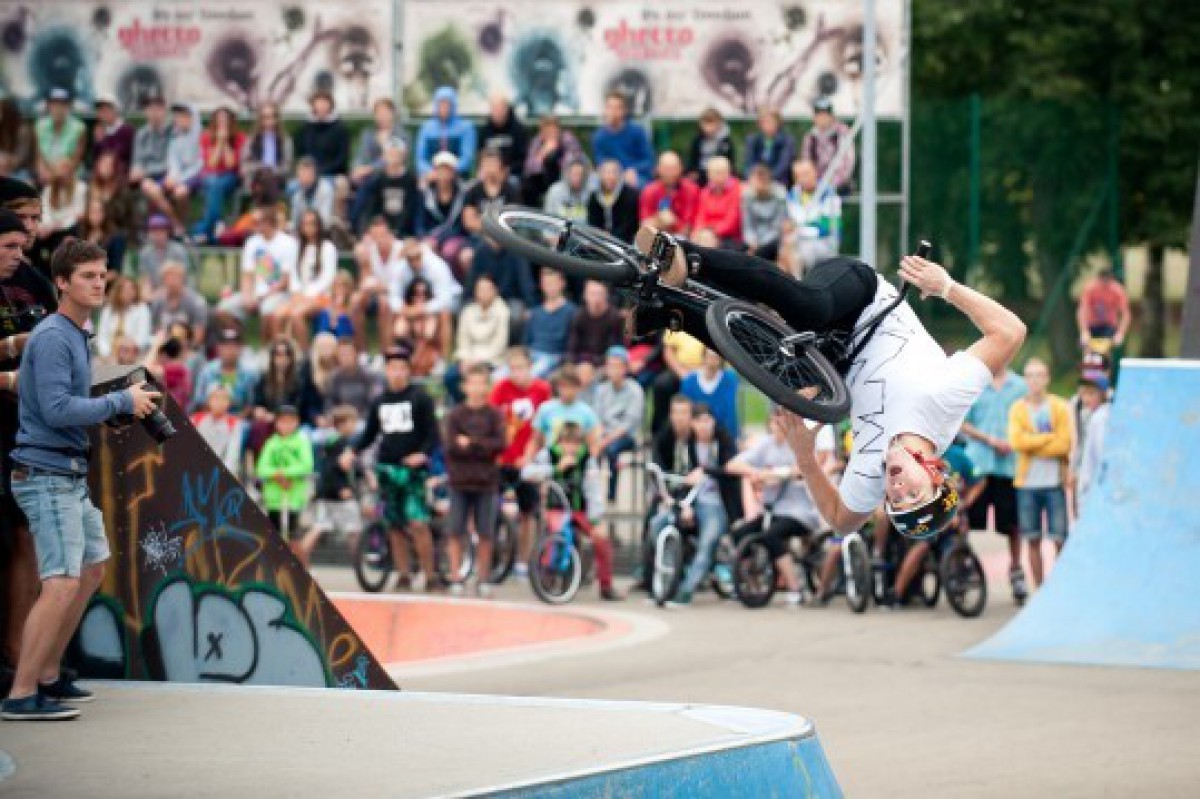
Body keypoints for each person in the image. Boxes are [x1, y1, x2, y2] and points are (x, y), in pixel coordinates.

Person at [639, 228, 1024, 545]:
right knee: (812, 308)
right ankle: (688, 257)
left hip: (832, 363)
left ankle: (673, 312)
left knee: (776, 378)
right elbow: (1010, 333)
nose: (897, 491)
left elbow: (841, 521)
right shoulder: (943, 403)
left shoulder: (873, 475)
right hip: (862, 301)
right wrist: (946, 286)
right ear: (935, 472)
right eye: (914, 493)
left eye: (897, 503)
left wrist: (805, 458)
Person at [4, 238, 160, 720]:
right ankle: (21, 694)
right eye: (88, 276)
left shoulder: (74, 333)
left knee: (91, 569)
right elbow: (56, 409)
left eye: (102, 275)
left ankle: (48, 674)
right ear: (61, 282)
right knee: (60, 583)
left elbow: (62, 403)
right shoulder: (55, 336)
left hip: (65, 473)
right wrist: (120, 402)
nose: (98, 283)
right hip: (47, 474)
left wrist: (114, 408)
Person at [0, 207, 54, 701]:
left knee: (25, 538)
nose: (20, 255)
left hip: (20, 431)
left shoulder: (29, 284)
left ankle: (21, 658)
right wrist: (14, 353)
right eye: (9, 246)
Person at [351, 344, 440, 591]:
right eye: (393, 368)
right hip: (387, 468)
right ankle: (403, 573)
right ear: (386, 371)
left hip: (412, 470)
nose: (397, 373)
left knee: (418, 522)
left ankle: (430, 575)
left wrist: (422, 454)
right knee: (394, 524)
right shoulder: (379, 401)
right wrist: (352, 451)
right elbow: (370, 434)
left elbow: (433, 433)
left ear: (408, 370)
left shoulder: (421, 398)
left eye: (402, 368)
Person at [727, 407, 835, 606]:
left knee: (771, 535)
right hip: (773, 511)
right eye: (775, 421)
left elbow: (802, 470)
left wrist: (774, 475)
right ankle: (749, 581)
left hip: (799, 511)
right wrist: (755, 473)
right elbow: (732, 465)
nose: (778, 425)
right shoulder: (766, 445)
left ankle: (795, 588)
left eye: (782, 421)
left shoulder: (797, 445)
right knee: (740, 532)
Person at [654, 404, 741, 608]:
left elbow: (731, 470)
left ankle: (686, 591)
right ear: (692, 424)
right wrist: (682, 504)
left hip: (717, 505)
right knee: (658, 523)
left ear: (713, 422)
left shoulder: (723, 442)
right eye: (699, 421)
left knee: (707, 542)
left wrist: (706, 471)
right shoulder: (687, 446)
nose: (703, 426)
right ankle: (662, 584)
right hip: (692, 502)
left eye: (707, 421)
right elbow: (684, 479)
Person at [522, 421, 620, 600]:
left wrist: (595, 518)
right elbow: (527, 473)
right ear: (559, 442)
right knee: (557, 533)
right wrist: (554, 469)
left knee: (601, 539)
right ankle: (549, 574)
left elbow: (593, 490)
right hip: (556, 508)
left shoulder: (586, 460)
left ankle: (606, 585)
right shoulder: (548, 455)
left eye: (575, 443)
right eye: (566, 442)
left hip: (579, 510)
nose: (571, 448)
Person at [961, 365, 1028, 603]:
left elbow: (1028, 420)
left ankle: (1016, 570)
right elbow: (962, 423)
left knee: (1013, 523)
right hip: (979, 463)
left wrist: (1015, 441)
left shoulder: (1021, 386)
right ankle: (964, 565)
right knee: (965, 517)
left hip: (1009, 465)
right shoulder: (975, 385)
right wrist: (988, 440)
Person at [1009, 358, 1072, 588]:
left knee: (1060, 538)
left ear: (1047, 378)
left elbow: (1064, 444)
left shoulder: (1059, 407)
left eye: (1039, 375)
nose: (1034, 380)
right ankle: (1039, 588)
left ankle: (1062, 588)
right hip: (1027, 485)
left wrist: (1033, 443)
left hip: (1054, 483)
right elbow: (1017, 442)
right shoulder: (1018, 408)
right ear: (1025, 380)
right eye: (1030, 375)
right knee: (1032, 538)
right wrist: (1047, 438)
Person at [443, 364, 506, 595]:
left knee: (486, 532)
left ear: (488, 387)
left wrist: (472, 443)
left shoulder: (495, 415)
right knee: (455, 530)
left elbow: (499, 445)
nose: (477, 388)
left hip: (486, 481)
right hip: (459, 481)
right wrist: (479, 446)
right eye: (473, 383)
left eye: (482, 383)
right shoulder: (455, 415)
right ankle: (456, 576)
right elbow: (451, 446)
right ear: (464, 386)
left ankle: (483, 578)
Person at [491, 347, 552, 573]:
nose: (517, 373)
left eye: (521, 367)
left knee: (529, 512)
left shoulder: (542, 390)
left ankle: (524, 561)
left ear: (530, 367)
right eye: (513, 368)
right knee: (492, 510)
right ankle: (495, 559)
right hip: (503, 459)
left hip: (527, 460)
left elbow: (545, 427)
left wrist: (531, 456)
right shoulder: (501, 388)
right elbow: (493, 421)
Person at [298, 405, 365, 565]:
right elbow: (331, 468)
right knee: (354, 529)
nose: (354, 426)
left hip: (325, 492)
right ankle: (360, 564)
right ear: (342, 423)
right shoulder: (340, 442)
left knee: (320, 526)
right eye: (352, 422)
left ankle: (299, 559)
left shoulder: (331, 440)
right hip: (337, 493)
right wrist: (340, 488)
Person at [222, 204, 299, 338]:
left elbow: (284, 281)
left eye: (257, 222)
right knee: (223, 309)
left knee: (267, 310)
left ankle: (267, 347)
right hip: (254, 293)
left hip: (279, 293)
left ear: (269, 223)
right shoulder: (251, 242)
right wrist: (247, 296)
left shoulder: (288, 243)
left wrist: (261, 297)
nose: (254, 225)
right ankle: (237, 340)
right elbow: (247, 274)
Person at [256, 405, 314, 563]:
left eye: (290, 421)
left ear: (297, 422)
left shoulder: (301, 442)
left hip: (294, 496)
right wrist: (277, 475)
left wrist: (284, 473)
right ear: (276, 423)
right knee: (273, 535)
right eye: (283, 421)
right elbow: (261, 467)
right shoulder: (271, 443)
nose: (286, 425)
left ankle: (302, 568)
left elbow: (306, 465)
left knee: (294, 536)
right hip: (274, 497)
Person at [445, 273, 509, 403]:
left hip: (491, 360)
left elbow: (499, 344)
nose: (483, 293)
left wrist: (477, 361)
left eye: (487, 289)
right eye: (480, 289)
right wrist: (466, 359)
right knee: (450, 376)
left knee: (483, 380)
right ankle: (462, 405)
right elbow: (463, 340)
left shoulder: (503, 311)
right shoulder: (468, 311)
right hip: (468, 359)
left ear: (494, 291)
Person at [591, 346, 644, 501]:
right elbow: (597, 417)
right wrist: (599, 438)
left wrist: (605, 440)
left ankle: (611, 494)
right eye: (610, 366)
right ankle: (592, 491)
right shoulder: (601, 389)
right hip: (604, 433)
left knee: (611, 450)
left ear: (625, 368)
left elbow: (629, 423)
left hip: (626, 436)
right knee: (590, 449)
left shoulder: (635, 390)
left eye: (617, 366)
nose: (613, 370)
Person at [278, 209, 338, 346]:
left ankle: (305, 352)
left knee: (296, 314)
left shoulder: (328, 247)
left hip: (321, 296)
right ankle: (281, 350)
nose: (309, 227)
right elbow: (293, 274)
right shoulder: (296, 247)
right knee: (278, 315)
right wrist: (296, 293)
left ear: (318, 226)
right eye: (305, 224)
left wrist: (307, 295)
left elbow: (328, 277)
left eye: (312, 223)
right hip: (299, 296)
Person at [143, 102, 202, 237]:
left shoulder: (201, 136)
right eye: (178, 115)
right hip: (177, 178)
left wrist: (178, 180)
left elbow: (198, 166)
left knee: (180, 192)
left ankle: (182, 226)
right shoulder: (175, 139)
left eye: (184, 115)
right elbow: (173, 163)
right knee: (148, 186)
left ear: (193, 117)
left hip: (194, 178)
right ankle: (175, 223)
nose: (180, 118)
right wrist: (172, 178)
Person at [349, 98, 407, 231]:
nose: (382, 116)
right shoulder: (368, 134)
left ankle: (354, 226)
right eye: (379, 112)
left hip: (389, 175)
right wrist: (356, 169)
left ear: (392, 113)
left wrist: (369, 168)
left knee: (367, 188)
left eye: (385, 112)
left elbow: (393, 159)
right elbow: (360, 155)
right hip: (366, 176)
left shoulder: (401, 135)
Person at [460, 147, 522, 272]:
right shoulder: (473, 191)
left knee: (514, 254)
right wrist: (491, 230)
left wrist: (495, 233)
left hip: (505, 237)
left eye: (493, 163)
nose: (489, 167)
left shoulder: (510, 190)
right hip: (477, 237)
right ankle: (474, 284)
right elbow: (469, 222)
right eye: (486, 163)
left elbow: (513, 219)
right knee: (466, 256)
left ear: (500, 166)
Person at [193, 107, 245, 241]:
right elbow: (212, 164)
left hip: (230, 176)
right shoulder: (206, 137)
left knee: (215, 185)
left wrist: (225, 142)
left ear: (231, 121)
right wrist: (219, 143)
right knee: (213, 182)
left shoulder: (239, 137)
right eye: (219, 119)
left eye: (225, 119)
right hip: (210, 176)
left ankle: (203, 230)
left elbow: (231, 164)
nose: (222, 122)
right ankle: (215, 228)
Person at [786, 159, 841, 273]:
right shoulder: (792, 195)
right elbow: (790, 223)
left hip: (825, 242)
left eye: (806, 173)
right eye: (799, 175)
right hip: (799, 241)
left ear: (815, 173)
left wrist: (800, 230)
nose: (803, 178)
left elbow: (827, 228)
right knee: (783, 252)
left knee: (797, 253)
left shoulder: (830, 194)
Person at [189, 326, 259, 414]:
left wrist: (234, 420)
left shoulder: (250, 374)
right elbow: (199, 401)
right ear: (218, 348)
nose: (230, 350)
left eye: (235, 346)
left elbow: (251, 404)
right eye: (226, 345)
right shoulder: (207, 371)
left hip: (240, 418)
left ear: (241, 348)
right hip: (210, 416)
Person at [591, 91, 654, 187]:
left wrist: (633, 170)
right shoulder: (599, 137)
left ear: (624, 111)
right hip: (610, 175)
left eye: (617, 108)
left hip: (636, 174)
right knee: (592, 184)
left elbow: (648, 160)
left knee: (635, 184)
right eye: (610, 107)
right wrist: (613, 174)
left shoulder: (637, 131)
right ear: (605, 110)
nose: (613, 111)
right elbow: (600, 162)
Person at [567, 280, 625, 384]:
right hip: (581, 363)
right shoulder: (579, 316)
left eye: (599, 294)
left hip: (604, 364)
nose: (596, 298)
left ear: (606, 295)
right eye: (592, 294)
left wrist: (592, 364)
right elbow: (572, 347)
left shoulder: (614, 317)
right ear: (585, 295)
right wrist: (581, 364)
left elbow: (613, 349)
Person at [525, 268, 577, 378]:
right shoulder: (536, 312)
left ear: (562, 283)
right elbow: (526, 341)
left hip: (553, 357)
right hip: (531, 355)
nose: (550, 287)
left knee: (530, 375)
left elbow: (570, 344)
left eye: (553, 283)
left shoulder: (571, 312)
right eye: (546, 284)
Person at [416, 87, 477, 180]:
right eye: (441, 104)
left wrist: (448, 173)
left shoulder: (466, 128)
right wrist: (431, 172)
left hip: (458, 178)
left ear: (453, 105)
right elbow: (420, 159)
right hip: (432, 177)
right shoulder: (426, 128)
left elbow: (467, 158)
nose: (444, 108)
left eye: (447, 104)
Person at [522, 115, 584, 207]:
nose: (551, 133)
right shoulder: (537, 141)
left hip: (564, 177)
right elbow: (529, 169)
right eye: (547, 130)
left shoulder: (567, 139)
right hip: (543, 180)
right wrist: (543, 152)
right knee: (528, 185)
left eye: (554, 130)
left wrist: (556, 153)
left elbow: (574, 163)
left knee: (552, 160)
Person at [420, 151, 469, 269]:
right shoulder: (425, 193)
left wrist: (437, 239)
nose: (444, 174)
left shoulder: (463, 194)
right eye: (440, 170)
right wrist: (424, 237)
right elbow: (420, 222)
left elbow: (460, 226)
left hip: (456, 236)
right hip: (429, 237)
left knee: (449, 251)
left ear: (454, 173)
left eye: (447, 170)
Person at [680, 348, 740, 442]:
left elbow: (730, 411)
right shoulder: (689, 381)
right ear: (704, 357)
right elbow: (686, 411)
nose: (712, 360)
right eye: (710, 356)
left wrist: (733, 438)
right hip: (695, 432)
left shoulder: (729, 379)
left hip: (721, 433)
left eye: (716, 357)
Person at [365, 140, 421, 238]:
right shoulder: (377, 179)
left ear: (403, 156)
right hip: (381, 230)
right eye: (390, 153)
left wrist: (397, 232)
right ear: (384, 156)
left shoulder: (411, 180)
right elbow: (372, 208)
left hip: (405, 232)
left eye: (396, 154)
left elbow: (411, 209)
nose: (393, 157)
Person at [391, 277, 445, 378]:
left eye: (424, 294)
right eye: (416, 294)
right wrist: (410, 315)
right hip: (408, 351)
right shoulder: (404, 313)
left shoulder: (431, 316)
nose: (420, 298)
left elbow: (428, 337)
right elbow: (398, 333)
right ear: (411, 296)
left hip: (425, 354)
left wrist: (415, 359)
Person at [801, 97, 855, 195]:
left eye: (825, 114)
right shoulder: (810, 136)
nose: (822, 118)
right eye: (819, 114)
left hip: (838, 184)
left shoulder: (842, 132)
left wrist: (833, 182)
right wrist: (813, 181)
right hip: (816, 184)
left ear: (831, 116)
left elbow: (847, 161)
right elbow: (806, 161)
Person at [637, 152, 699, 237]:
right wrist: (659, 219)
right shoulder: (649, 190)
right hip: (654, 236)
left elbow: (688, 229)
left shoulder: (691, 190)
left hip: (681, 238)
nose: (669, 173)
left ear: (681, 168)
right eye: (666, 168)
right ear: (658, 168)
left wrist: (674, 221)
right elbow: (644, 224)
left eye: (673, 168)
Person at [295, 91, 351, 181]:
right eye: (318, 103)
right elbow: (300, 154)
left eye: (324, 103)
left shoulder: (340, 129)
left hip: (333, 174)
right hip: (308, 174)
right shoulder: (304, 128)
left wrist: (323, 172)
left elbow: (342, 157)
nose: (321, 106)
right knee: (292, 186)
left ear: (330, 106)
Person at [239, 102, 294, 195]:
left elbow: (287, 166)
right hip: (255, 177)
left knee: (269, 181)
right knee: (262, 182)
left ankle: (266, 200)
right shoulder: (252, 140)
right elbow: (244, 165)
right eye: (265, 117)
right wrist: (260, 168)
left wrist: (272, 171)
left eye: (272, 117)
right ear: (260, 120)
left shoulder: (285, 140)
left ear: (276, 119)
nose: (269, 121)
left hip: (277, 177)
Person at [34, 88, 86, 185]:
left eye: (62, 104)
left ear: (68, 107)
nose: (58, 108)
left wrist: (55, 175)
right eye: (54, 104)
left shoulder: (79, 128)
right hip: (46, 174)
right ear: (48, 106)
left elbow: (75, 160)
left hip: (69, 175)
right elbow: (38, 156)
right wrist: (42, 171)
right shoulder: (40, 126)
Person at [190, 384, 244, 475]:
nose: (219, 402)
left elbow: (232, 455)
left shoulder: (234, 424)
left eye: (224, 398)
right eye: (216, 398)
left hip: (220, 472)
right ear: (209, 400)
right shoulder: (196, 419)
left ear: (229, 402)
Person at [324, 337, 383, 419]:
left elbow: (373, 403)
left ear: (356, 354)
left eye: (348, 353)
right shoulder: (334, 377)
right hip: (341, 420)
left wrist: (357, 418)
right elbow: (329, 403)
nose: (346, 357)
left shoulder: (369, 375)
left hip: (365, 419)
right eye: (342, 354)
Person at [148, 261, 208, 341]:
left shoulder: (196, 302)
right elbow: (154, 329)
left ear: (183, 279)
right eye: (167, 279)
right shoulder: (158, 302)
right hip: (163, 344)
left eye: (175, 278)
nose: (171, 282)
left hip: (188, 345)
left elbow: (198, 334)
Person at [1074, 374, 1110, 506]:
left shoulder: (1100, 418)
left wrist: (1087, 485)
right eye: (1083, 393)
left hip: (1095, 488)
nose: (1086, 398)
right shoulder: (1095, 415)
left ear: (1103, 395)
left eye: (1091, 394)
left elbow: (1100, 455)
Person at [95, 276, 151, 359]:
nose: (129, 293)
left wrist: (128, 351)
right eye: (125, 290)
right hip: (109, 355)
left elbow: (142, 337)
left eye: (131, 289)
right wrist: (106, 353)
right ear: (118, 292)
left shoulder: (142, 309)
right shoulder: (108, 310)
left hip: (133, 355)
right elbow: (102, 336)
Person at [741, 164, 788, 263]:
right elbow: (747, 224)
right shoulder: (747, 195)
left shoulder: (780, 195)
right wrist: (752, 241)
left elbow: (777, 227)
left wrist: (759, 244)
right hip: (753, 239)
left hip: (772, 239)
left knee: (761, 253)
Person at [1076, 267, 1131, 350]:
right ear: (1098, 279)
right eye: (1102, 282)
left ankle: (1104, 356)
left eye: (1107, 282)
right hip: (1092, 324)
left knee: (1104, 349)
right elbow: (1082, 310)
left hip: (1108, 325)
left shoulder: (1117, 291)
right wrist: (1084, 331)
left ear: (1111, 280)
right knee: (1087, 347)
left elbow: (1125, 314)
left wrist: (1120, 333)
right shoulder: (1090, 289)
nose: (1105, 285)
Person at [692, 157, 743, 247]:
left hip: (729, 237)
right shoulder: (705, 192)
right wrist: (698, 231)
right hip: (706, 234)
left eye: (722, 172)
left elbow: (731, 223)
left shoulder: (737, 190)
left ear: (729, 173)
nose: (719, 176)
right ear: (709, 175)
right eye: (716, 173)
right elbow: (700, 217)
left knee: (706, 241)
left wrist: (711, 231)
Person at [136, 215, 191, 297]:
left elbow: (182, 278)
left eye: (161, 231)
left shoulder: (178, 250)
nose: (158, 235)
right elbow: (145, 278)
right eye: (154, 231)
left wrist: (162, 292)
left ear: (167, 232)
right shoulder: (145, 253)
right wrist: (147, 293)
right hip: (154, 292)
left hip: (178, 291)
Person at [586, 159, 640, 243]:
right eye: (606, 173)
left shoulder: (631, 195)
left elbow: (629, 225)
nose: (609, 176)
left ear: (619, 175)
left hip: (625, 242)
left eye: (613, 173)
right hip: (599, 241)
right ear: (599, 174)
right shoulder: (594, 196)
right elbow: (592, 223)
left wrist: (611, 236)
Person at [478, 93, 530, 175]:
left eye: (500, 108)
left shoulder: (519, 130)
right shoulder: (485, 130)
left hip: (512, 173)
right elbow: (481, 155)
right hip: (489, 173)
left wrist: (506, 171)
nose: (497, 112)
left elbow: (523, 159)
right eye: (494, 109)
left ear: (506, 109)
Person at [742, 108, 797, 186]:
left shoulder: (787, 140)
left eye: (770, 121)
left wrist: (768, 179)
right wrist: (753, 178)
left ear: (778, 123)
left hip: (778, 180)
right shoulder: (752, 140)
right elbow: (748, 163)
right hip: (755, 180)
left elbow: (784, 165)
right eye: (764, 122)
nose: (767, 125)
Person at [129, 93, 171, 191]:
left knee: (148, 186)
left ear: (164, 111)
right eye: (150, 110)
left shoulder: (171, 132)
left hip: (167, 175)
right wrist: (136, 169)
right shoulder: (141, 134)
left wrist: (146, 171)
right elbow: (137, 159)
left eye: (158, 110)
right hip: (146, 177)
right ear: (145, 112)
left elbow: (170, 163)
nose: (154, 114)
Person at [686, 108, 736, 187]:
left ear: (719, 123)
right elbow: (692, 161)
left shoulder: (726, 142)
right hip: (701, 173)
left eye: (712, 123)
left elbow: (730, 162)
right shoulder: (697, 140)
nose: (709, 127)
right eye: (706, 123)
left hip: (719, 172)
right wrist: (693, 171)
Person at [90, 94, 135, 173]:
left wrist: (102, 142)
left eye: (107, 109)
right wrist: (98, 142)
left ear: (115, 110)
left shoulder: (127, 130)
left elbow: (119, 155)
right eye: (100, 110)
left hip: (122, 173)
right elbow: (95, 158)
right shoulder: (100, 130)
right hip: (102, 172)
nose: (103, 113)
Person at [288, 156, 335, 230]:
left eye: (305, 174)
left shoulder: (326, 190)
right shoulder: (297, 195)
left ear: (314, 174)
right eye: (300, 175)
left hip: (322, 231)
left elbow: (325, 220)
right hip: (302, 232)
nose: (302, 178)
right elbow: (295, 221)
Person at [39, 167, 86, 239]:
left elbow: (78, 214)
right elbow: (44, 210)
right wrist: (46, 226)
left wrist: (58, 225)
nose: (63, 179)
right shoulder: (49, 189)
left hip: (69, 227)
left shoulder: (80, 188)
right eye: (60, 177)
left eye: (66, 175)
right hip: (50, 227)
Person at [543, 155, 592, 222]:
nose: (577, 178)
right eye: (574, 174)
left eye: (580, 174)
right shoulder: (555, 191)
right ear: (567, 174)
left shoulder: (589, 194)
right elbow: (547, 219)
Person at [0, 98, 35, 181]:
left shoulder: (23, 130)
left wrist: (5, 160)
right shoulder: (2, 127)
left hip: (19, 171)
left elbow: (20, 159)